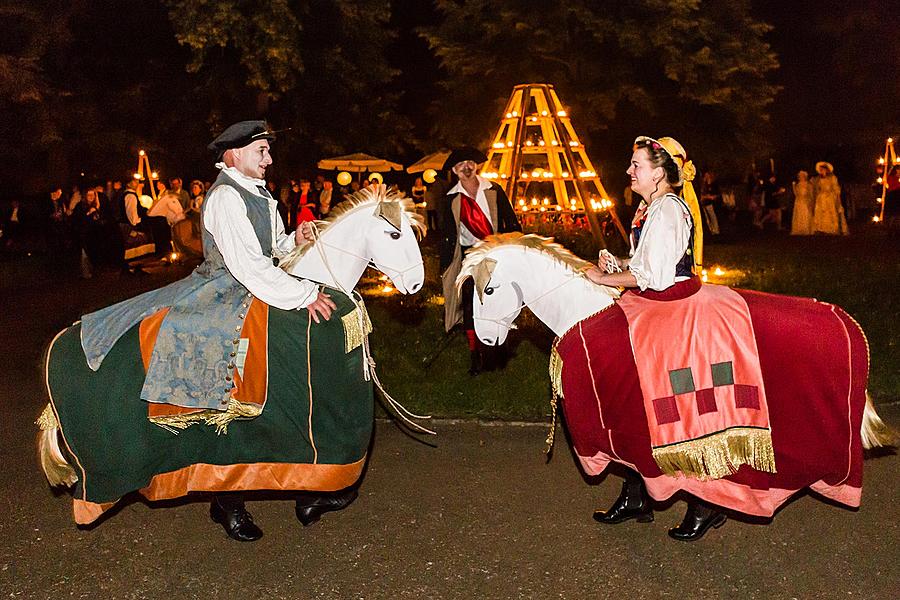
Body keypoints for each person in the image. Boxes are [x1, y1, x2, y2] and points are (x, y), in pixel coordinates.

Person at [79, 121, 341, 542]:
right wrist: (303, 295)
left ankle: (300, 469)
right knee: (221, 386)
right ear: (234, 154)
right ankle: (226, 498)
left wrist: (298, 239)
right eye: (261, 151)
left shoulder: (259, 193)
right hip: (221, 289)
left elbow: (272, 250)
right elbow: (246, 266)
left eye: (268, 151)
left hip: (254, 283)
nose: (269, 159)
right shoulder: (223, 197)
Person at [585, 136, 731, 541]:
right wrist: (621, 262)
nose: (629, 172)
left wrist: (605, 278)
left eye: (637, 165)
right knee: (632, 402)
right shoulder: (652, 207)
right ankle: (638, 494)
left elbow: (657, 277)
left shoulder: (667, 209)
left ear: (659, 172)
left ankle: (707, 502)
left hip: (671, 310)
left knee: (677, 407)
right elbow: (648, 262)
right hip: (654, 305)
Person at [439, 146, 521, 374]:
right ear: (455, 171)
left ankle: (500, 350)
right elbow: (447, 234)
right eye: (460, 165)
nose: (466, 167)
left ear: (476, 165)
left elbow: (511, 222)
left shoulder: (494, 190)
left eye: (469, 163)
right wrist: (447, 267)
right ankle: (475, 355)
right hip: (468, 257)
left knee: (499, 302)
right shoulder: (451, 198)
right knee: (470, 306)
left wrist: (516, 248)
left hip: (496, 254)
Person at [812, 162, 848, 235]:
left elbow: (836, 188)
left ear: (826, 170)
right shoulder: (818, 179)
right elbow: (817, 188)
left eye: (822, 169)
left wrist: (833, 193)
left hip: (830, 197)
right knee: (821, 213)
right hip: (821, 198)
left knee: (830, 212)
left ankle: (831, 229)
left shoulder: (832, 178)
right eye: (820, 169)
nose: (821, 171)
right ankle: (821, 229)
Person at [790, 170, 815, 235]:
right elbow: (796, 194)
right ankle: (799, 229)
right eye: (799, 176)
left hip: (805, 201)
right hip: (799, 201)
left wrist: (811, 201)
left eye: (801, 176)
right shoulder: (798, 184)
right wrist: (793, 186)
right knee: (799, 215)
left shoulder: (808, 184)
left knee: (805, 214)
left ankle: (806, 229)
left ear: (804, 177)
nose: (800, 177)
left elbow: (811, 193)